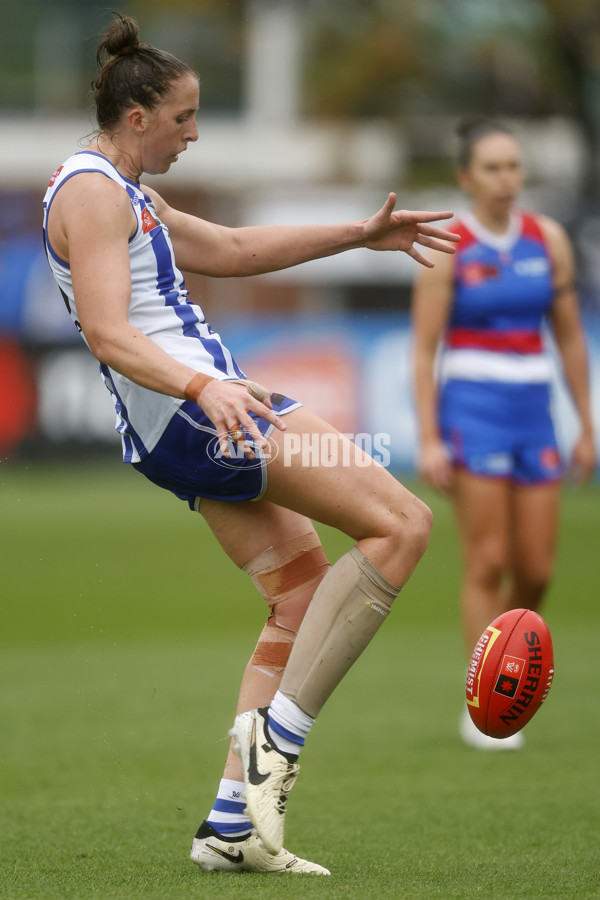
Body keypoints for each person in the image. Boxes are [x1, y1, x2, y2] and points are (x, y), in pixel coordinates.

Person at [42, 14, 460, 875]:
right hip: (201, 412)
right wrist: (204, 383)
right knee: (403, 525)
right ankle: (280, 746)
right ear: (137, 118)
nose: (195, 134)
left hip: (193, 416)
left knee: (301, 597)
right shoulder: (91, 192)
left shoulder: (123, 189)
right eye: (185, 118)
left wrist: (357, 234)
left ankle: (233, 824)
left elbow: (230, 247)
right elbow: (110, 333)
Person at [411, 118, 596, 751]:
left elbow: (569, 337)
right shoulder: (450, 245)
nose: (506, 178)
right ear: (467, 177)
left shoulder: (548, 239)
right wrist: (431, 438)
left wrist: (585, 427)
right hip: (472, 413)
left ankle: (508, 657)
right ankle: (484, 703)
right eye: (492, 167)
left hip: (534, 416)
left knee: (537, 571)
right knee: (487, 560)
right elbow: (421, 351)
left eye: (514, 165)